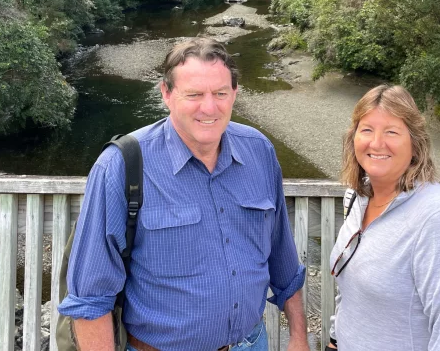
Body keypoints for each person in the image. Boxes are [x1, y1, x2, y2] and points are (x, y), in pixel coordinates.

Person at [58, 38, 309, 351]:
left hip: (252, 343)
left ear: (235, 94)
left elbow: (282, 254)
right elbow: (90, 298)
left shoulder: (259, 150)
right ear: (166, 94)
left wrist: (299, 336)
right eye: (194, 94)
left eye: (220, 93)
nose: (209, 107)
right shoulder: (121, 166)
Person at [327, 85, 440, 350]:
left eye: (391, 132)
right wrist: (334, 339)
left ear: (415, 144)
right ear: (353, 138)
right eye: (367, 130)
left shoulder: (436, 218)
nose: (376, 143)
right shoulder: (357, 197)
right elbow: (350, 286)